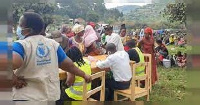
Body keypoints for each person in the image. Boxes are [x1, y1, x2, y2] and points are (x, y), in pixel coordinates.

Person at [11, 12, 91, 101]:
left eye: (20, 25)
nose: (18, 27)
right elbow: (69, 65)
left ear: (26, 30)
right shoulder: (53, 45)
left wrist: (13, 78)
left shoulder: (20, 46)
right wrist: (84, 75)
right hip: (50, 97)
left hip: (27, 97)